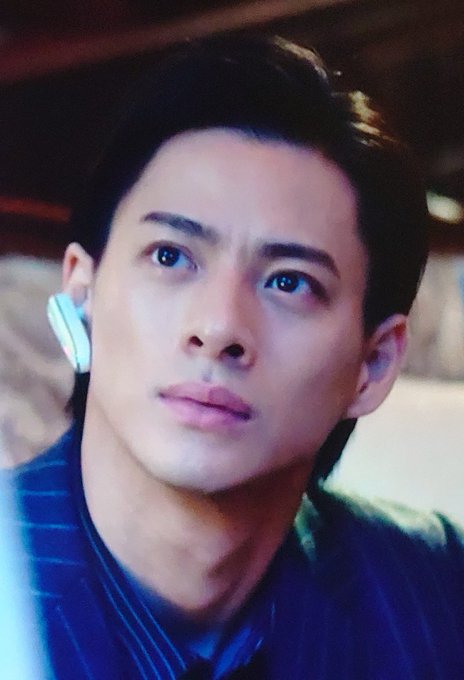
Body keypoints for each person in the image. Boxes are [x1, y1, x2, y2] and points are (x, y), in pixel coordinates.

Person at [8, 34, 464, 679]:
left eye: (290, 283)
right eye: (170, 256)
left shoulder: (435, 588)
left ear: (373, 366)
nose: (219, 327)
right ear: (82, 295)